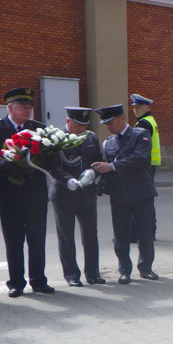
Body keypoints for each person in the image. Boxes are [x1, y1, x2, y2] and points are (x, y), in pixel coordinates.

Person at [0, 87, 56, 298]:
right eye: (23, 107)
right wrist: (4, 167)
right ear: (10, 108)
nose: (28, 111)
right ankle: (16, 282)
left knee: (37, 239)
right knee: (14, 240)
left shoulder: (39, 129)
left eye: (30, 107)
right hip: (9, 192)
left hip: (35, 193)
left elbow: (50, 158)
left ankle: (39, 281)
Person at [91, 104, 159, 285]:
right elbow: (106, 166)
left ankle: (146, 268)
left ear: (122, 118)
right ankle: (124, 270)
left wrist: (112, 166)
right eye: (106, 124)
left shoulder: (140, 134)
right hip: (119, 193)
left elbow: (139, 158)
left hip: (141, 192)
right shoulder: (108, 143)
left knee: (145, 232)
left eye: (111, 123)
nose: (108, 127)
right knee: (120, 234)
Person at [49, 107, 105, 287]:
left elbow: (98, 160)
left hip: (87, 194)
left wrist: (93, 173)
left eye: (84, 125)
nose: (82, 129)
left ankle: (93, 273)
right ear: (68, 122)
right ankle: (72, 275)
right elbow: (53, 166)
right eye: (78, 125)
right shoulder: (56, 139)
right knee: (66, 236)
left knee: (90, 235)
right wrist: (68, 180)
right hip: (64, 194)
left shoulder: (91, 138)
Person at [130, 94, 160, 240]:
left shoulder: (143, 124)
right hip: (149, 165)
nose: (135, 111)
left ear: (147, 107)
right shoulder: (149, 121)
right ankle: (149, 231)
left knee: (141, 201)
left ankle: (141, 233)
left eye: (139, 108)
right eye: (134, 108)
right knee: (146, 200)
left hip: (143, 165)